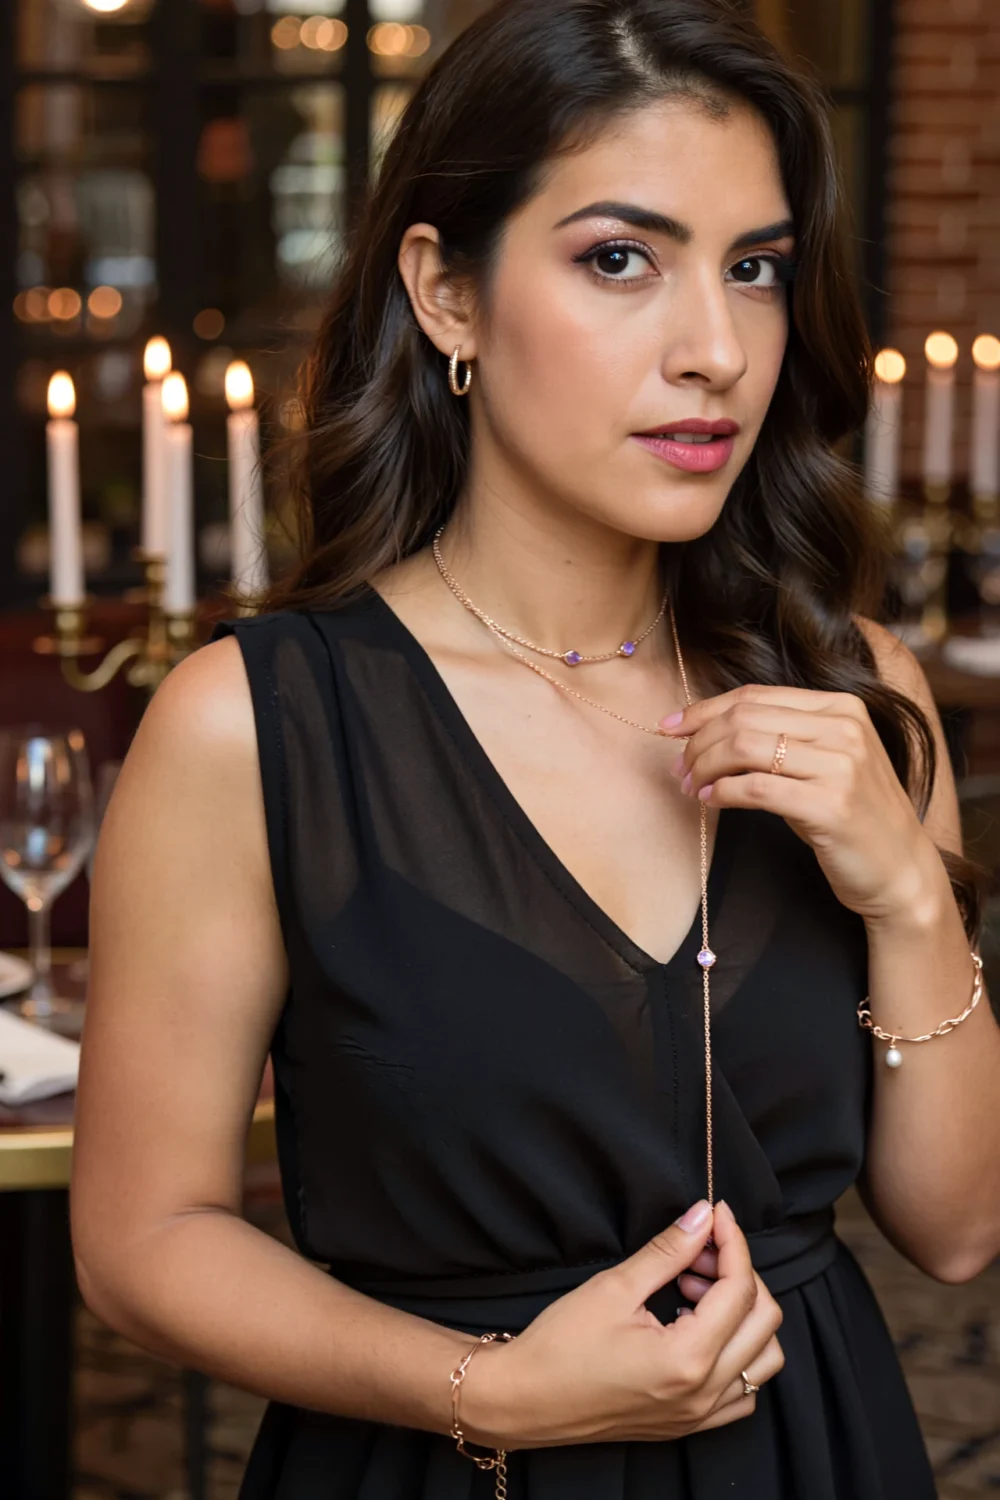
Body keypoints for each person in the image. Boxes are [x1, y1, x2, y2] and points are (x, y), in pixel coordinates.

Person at [71, 1, 1000, 1496]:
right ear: (444, 291)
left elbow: (958, 1232)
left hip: (815, 1455)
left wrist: (910, 891)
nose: (716, 351)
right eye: (620, 259)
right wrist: (489, 1392)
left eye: (754, 269)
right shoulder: (259, 722)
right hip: (448, 1464)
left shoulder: (855, 684)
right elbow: (140, 1244)